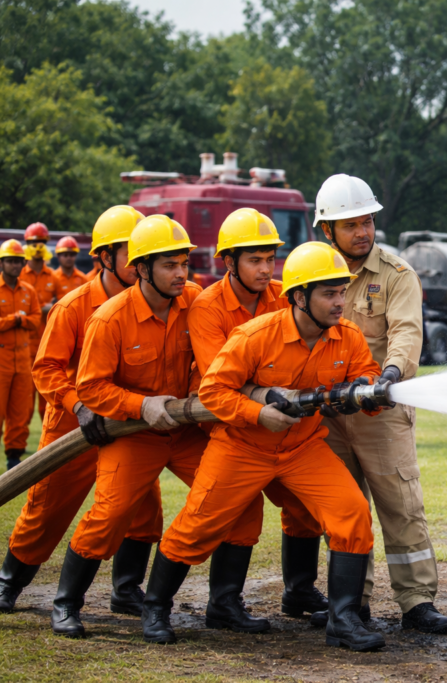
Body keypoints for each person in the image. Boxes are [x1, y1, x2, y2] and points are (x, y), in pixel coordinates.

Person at [143, 242, 384, 651]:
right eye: (329, 293)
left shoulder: (348, 337)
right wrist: (259, 415)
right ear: (299, 297)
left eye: (342, 292)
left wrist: (370, 392)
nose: (340, 302)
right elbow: (213, 392)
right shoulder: (254, 335)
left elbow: (366, 375)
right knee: (197, 526)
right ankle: (155, 608)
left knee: (352, 513)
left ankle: (343, 621)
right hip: (241, 447)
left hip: (303, 448)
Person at [50, 215, 260, 639]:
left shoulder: (196, 302)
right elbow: (91, 389)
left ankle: (224, 604)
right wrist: (140, 405)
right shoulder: (109, 319)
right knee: (110, 514)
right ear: (141, 269)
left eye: (183, 263)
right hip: (134, 435)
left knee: (240, 500)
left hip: (186, 432)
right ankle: (66, 604)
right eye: (169, 265)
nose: (181, 274)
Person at [0, 206, 163, 616]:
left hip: (127, 427)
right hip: (76, 425)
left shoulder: (150, 302)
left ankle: (126, 591)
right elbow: (47, 368)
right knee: (46, 510)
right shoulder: (74, 306)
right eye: (131, 252)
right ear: (105, 257)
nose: (141, 260)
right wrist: (78, 404)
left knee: (143, 508)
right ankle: (8, 583)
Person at [314, 173, 447, 633]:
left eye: (367, 221)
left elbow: (407, 333)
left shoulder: (397, 275)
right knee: (343, 510)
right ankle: (352, 603)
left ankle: (416, 602)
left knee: (401, 506)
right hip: (330, 417)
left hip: (382, 412)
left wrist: (389, 377)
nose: (362, 232)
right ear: (326, 231)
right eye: (350, 224)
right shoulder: (311, 277)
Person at [188, 207, 328, 621]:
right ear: (228, 262)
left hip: (282, 426)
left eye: (271, 259)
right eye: (255, 260)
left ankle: (300, 591)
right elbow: (223, 380)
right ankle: (224, 602)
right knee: (242, 510)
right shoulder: (207, 307)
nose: (267, 269)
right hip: (230, 424)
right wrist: (269, 390)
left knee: (304, 505)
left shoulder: (286, 295)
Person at [0, 240, 40, 470]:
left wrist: (20, 320)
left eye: (18, 261)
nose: (15, 265)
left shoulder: (29, 291)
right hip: (1, 359)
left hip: (23, 360)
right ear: (2, 263)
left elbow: (35, 321)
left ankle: (14, 456)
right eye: (10, 261)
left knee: (20, 411)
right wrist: (13, 320)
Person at [21, 222, 57, 423]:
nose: (37, 247)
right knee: (22, 400)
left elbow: (61, 306)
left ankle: (49, 445)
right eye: (34, 242)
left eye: (41, 242)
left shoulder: (53, 276)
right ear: (27, 244)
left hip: (47, 343)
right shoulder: (18, 273)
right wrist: (44, 307)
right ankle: (15, 450)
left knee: (47, 398)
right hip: (22, 345)